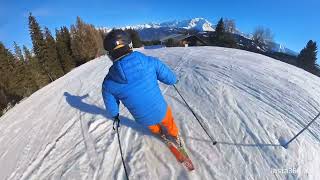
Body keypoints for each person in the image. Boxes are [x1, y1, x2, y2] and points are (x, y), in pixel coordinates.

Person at [102, 29, 181, 146]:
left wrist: (115, 115)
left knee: (152, 126)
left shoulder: (108, 83)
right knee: (169, 122)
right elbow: (170, 79)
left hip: (143, 119)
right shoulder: (151, 62)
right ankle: (174, 136)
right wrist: (175, 80)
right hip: (161, 110)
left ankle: (159, 133)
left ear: (110, 55)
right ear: (130, 46)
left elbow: (112, 108)